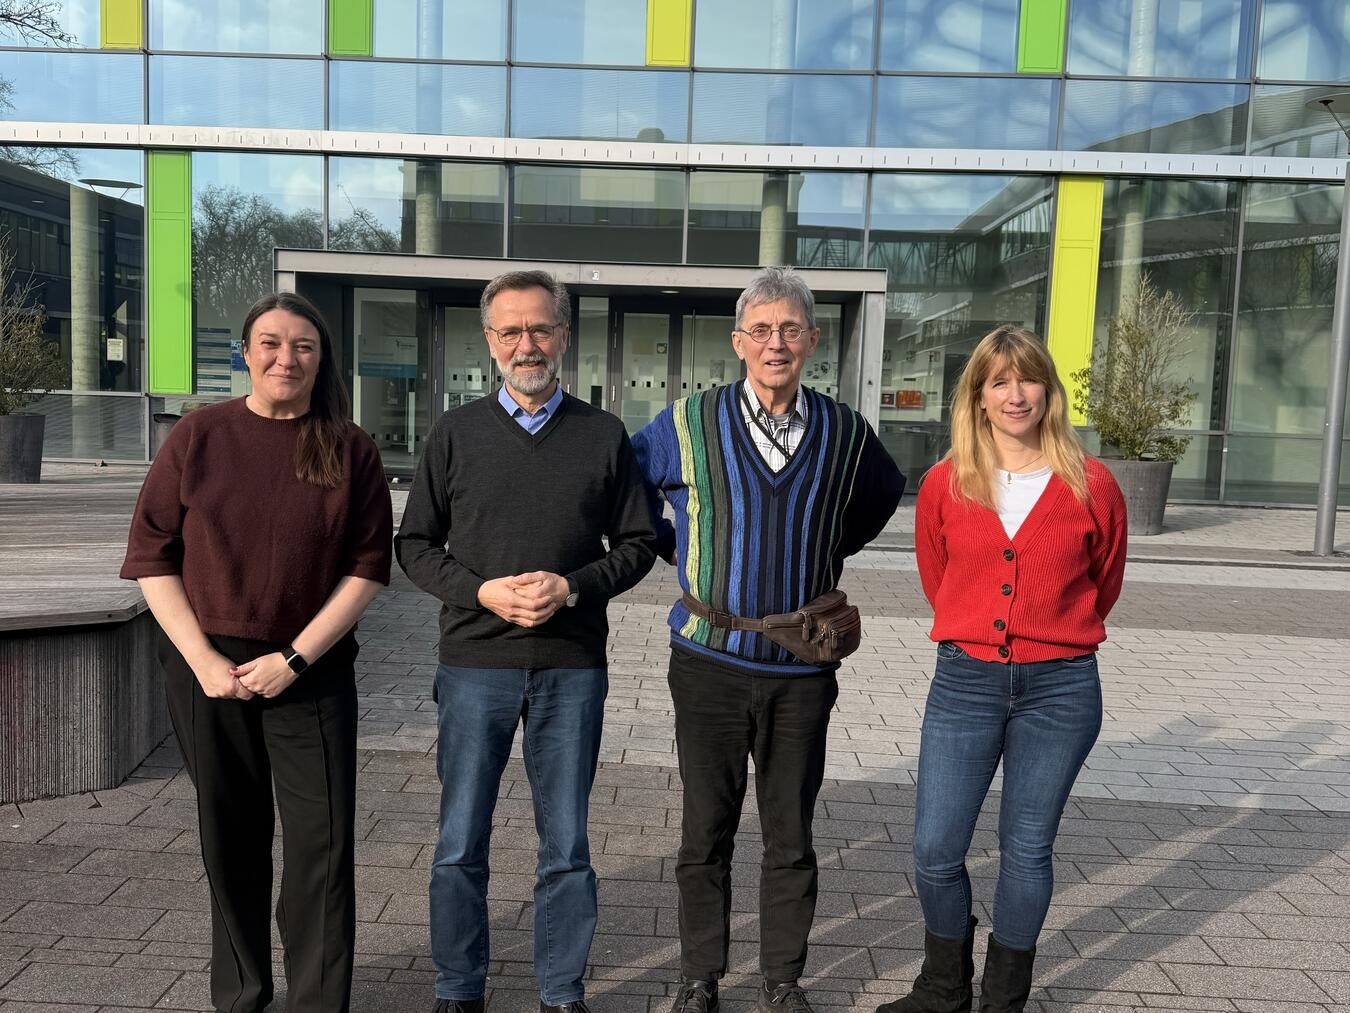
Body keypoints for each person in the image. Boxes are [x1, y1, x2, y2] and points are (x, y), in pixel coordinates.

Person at [632, 266, 906, 1013]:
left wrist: (826, 548)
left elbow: (883, 493)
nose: (775, 342)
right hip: (707, 661)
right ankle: (700, 977)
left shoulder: (844, 430)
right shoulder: (687, 422)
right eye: (761, 329)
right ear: (738, 342)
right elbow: (626, 489)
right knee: (705, 830)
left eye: (790, 329)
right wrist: (679, 544)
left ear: (813, 340)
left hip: (802, 668)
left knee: (790, 831)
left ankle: (783, 980)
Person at [121, 292, 393, 1013]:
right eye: (270, 343)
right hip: (207, 667)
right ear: (245, 353)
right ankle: (240, 994)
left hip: (313, 669)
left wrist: (295, 659)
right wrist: (206, 662)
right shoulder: (198, 436)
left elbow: (367, 569)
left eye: (303, 345)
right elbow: (152, 556)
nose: (286, 357)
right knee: (231, 838)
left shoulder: (349, 447)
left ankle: (315, 1001)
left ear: (320, 357)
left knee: (322, 850)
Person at [395, 269, 658, 1013]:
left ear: (564, 336)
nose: (526, 344)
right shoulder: (455, 432)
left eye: (540, 328)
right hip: (475, 663)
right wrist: (481, 590)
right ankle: (457, 987)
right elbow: (413, 545)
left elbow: (639, 543)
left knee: (567, 847)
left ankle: (560, 991)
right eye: (509, 330)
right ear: (488, 341)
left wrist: (571, 586)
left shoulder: (603, 434)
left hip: (572, 667)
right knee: (458, 842)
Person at [880, 325, 1127, 1013]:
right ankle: (943, 984)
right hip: (966, 680)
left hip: (1061, 686)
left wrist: (1048, 633)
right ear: (979, 396)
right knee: (935, 847)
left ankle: (1004, 997)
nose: (1015, 393)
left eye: (1028, 379)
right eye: (999, 380)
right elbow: (941, 578)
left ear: (1048, 390)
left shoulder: (1093, 482)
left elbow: (1102, 584)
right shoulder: (944, 481)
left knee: (1025, 848)